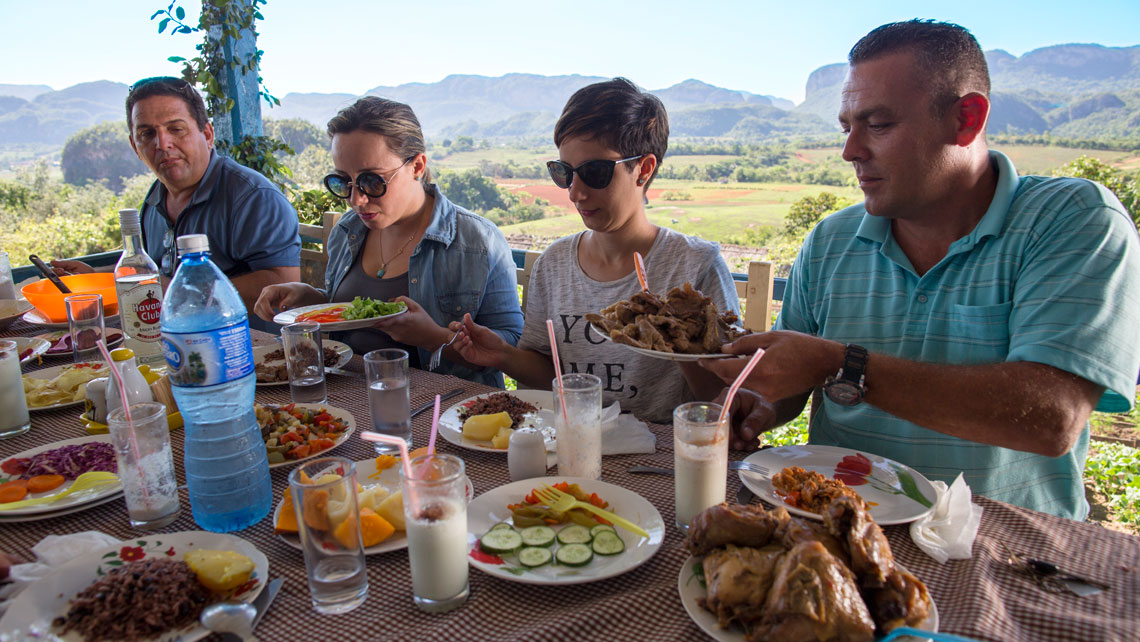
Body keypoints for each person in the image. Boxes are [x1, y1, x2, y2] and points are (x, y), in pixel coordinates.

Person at [702, 20, 1140, 520]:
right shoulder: (830, 241)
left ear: (966, 119)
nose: (851, 151)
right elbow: (797, 382)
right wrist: (759, 400)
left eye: (879, 125)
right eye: (847, 128)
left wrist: (841, 364)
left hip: (997, 550)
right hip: (836, 529)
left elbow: (1051, 419)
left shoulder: (1071, 220)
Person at [451, 78, 740, 423]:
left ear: (644, 169)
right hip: (573, 444)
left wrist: (677, 341)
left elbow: (726, 393)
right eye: (565, 173)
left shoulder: (695, 267)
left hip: (663, 456)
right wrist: (504, 356)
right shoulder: (554, 265)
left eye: (595, 172)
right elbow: (549, 374)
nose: (575, 193)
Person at [253, 97, 522, 388]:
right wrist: (312, 299)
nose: (357, 199)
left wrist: (433, 337)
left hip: (445, 413)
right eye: (343, 182)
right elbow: (355, 314)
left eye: (372, 181)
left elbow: (512, 350)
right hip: (349, 400)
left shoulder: (476, 241)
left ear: (417, 166)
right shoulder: (348, 230)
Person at [52, 76, 301, 330]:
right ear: (134, 146)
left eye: (175, 129)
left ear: (207, 134)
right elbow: (152, 272)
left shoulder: (252, 197)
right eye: (147, 134)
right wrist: (99, 277)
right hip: (178, 343)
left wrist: (176, 290)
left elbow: (282, 289)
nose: (162, 144)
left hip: (254, 354)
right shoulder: (154, 199)